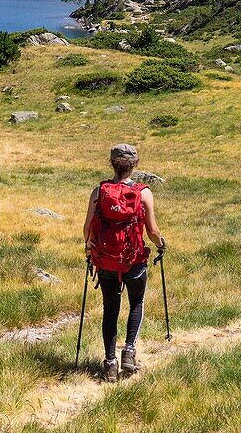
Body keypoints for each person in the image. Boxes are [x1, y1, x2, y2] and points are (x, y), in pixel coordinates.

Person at [83, 143, 166, 382]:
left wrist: (90, 250)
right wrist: (161, 245)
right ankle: (129, 352)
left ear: (112, 163)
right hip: (133, 261)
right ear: (134, 165)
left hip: (106, 260)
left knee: (110, 309)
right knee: (136, 303)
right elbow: (152, 231)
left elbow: (88, 228)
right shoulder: (143, 192)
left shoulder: (99, 191)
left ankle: (109, 363)